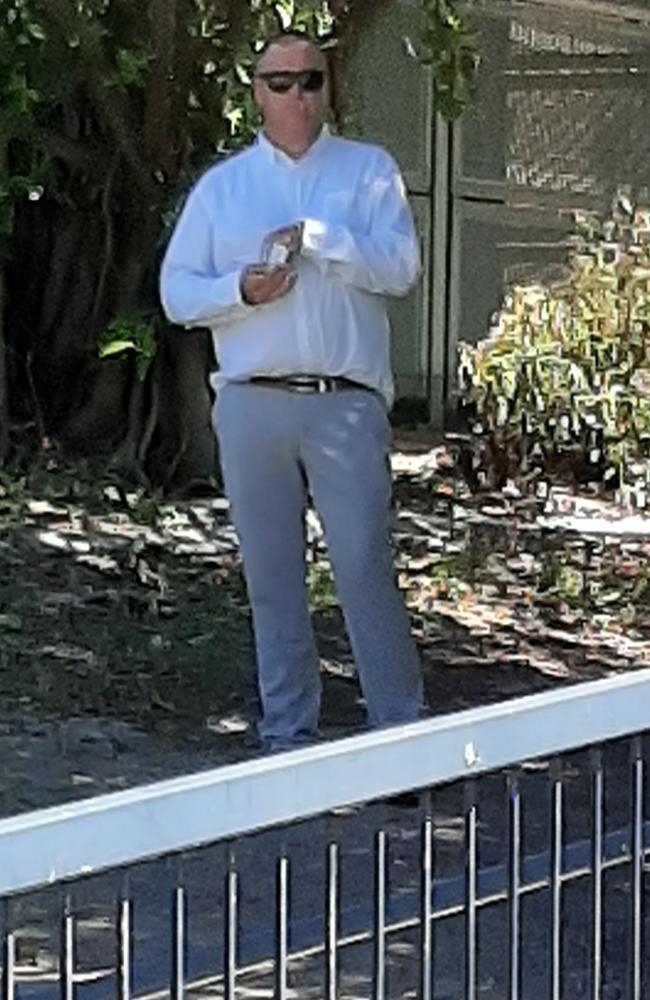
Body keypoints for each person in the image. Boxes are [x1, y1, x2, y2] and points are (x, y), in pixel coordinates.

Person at [160, 31, 425, 750]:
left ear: (328, 85)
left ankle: (399, 740)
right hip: (252, 402)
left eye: (310, 80)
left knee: (365, 563)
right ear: (256, 92)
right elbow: (177, 293)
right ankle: (288, 738)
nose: (298, 96)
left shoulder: (368, 173)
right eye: (281, 83)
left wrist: (324, 238)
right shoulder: (225, 188)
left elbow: (401, 270)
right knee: (273, 578)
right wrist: (241, 290)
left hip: (344, 400)